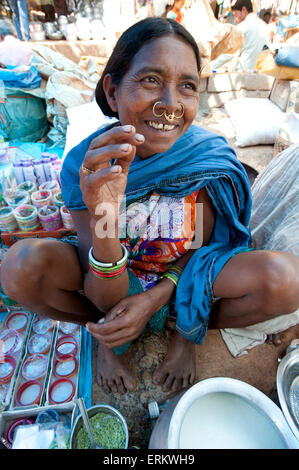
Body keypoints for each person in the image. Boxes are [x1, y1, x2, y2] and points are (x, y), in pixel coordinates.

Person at [1, 17, 299, 395]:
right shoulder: (87, 165)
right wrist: (105, 213)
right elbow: (101, 286)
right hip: (110, 280)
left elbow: (200, 250)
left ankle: (186, 329)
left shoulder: (205, 158)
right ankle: (103, 335)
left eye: (187, 86)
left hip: (180, 276)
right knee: (18, 268)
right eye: (151, 80)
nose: (171, 105)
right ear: (112, 91)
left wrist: (157, 300)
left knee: (286, 279)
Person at [211, 0, 270, 72]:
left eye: (235, 15)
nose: (235, 21)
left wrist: (209, 67)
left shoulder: (244, 26)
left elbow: (228, 53)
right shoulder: (264, 26)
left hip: (244, 73)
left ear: (243, 10)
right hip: (261, 73)